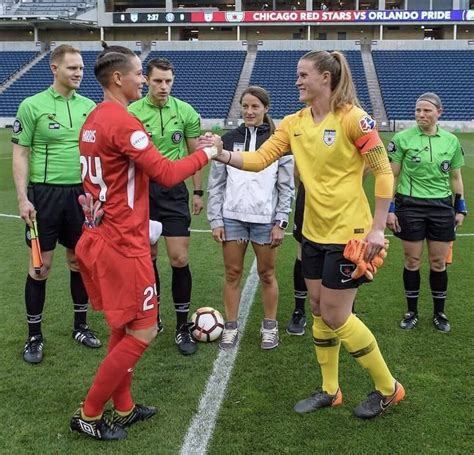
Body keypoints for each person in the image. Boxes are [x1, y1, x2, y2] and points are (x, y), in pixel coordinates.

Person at [213, 50, 405, 419]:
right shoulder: (292, 123)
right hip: (312, 232)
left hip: (350, 234)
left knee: (336, 314)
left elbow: (383, 171)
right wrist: (221, 154)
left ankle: (388, 388)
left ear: (326, 79)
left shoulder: (354, 119)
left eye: (303, 75)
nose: (297, 81)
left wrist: (378, 227)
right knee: (317, 308)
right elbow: (258, 160)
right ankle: (330, 390)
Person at [69, 44, 219, 440]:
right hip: (123, 243)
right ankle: (88, 413)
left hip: (102, 235)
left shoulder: (94, 117)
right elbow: (167, 174)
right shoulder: (122, 121)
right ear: (118, 78)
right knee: (145, 330)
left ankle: (124, 407)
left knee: (124, 325)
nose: (142, 79)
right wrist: (208, 153)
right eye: (138, 73)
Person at [12, 44, 101, 364]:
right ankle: (34, 336)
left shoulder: (90, 106)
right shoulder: (32, 105)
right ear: (54, 68)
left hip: (81, 195)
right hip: (44, 195)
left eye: (80, 68)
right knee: (40, 267)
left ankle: (81, 326)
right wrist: (23, 198)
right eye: (72, 68)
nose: (79, 73)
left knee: (80, 262)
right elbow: (20, 154)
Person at [207, 86, 294, 351]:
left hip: (265, 220)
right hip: (232, 218)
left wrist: (280, 221)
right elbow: (217, 183)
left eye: (255, 106)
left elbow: (286, 186)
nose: (249, 111)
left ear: (266, 108)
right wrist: (216, 219)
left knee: (267, 273)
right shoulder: (228, 139)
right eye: (245, 106)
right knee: (232, 273)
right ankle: (230, 327)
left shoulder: (279, 141)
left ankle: (269, 326)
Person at [128, 58, 203, 356]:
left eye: (168, 81)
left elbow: (194, 153)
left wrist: (197, 191)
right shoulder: (132, 112)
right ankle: (153, 317)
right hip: (143, 192)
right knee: (149, 257)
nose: (164, 86)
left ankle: (183, 326)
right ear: (146, 80)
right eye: (158, 81)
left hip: (174, 191)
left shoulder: (185, 111)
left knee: (179, 258)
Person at [386, 92, 466, 333]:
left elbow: (455, 177)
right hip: (410, 206)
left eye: (427, 110)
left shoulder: (451, 141)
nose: (421, 114)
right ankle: (411, 311)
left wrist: (460, 207)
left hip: (441, 207)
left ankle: (439, 313)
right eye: (418, 110)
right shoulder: (402, 139)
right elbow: (392, 175)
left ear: (438, 113)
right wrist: (390, 209)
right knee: (412, 261)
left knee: (438, 262)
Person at [286, 180, 308, 336]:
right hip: (309, 195)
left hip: (343, 197)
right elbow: (296, 172)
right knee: (302, 248)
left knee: (345, 249)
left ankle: (348, 310)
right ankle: (299, 310)